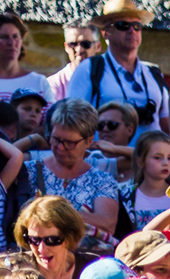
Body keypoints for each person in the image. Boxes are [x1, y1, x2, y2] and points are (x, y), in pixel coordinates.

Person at [63, 0, 170, 134]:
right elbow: (72, 123)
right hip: (105, 155)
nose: (132, 31)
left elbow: (167, 125)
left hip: (149, 155)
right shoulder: (89, 70)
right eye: (123, 25)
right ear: (106, 33)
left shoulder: (153, 73)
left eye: (137, 26)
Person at [22, 99, 115, 241]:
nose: (60, 147)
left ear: (89, 140)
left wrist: (51, 213)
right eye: (56, 139)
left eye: (69, 143)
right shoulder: (30, 171)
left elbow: (107, 224)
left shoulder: (102, 180)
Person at [46, 19, 100, 100]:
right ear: (66, 47)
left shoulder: (109, 80)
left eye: (86, 44)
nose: (79, 50)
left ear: (97, 46)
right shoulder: (53, 84)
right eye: (73, 44)